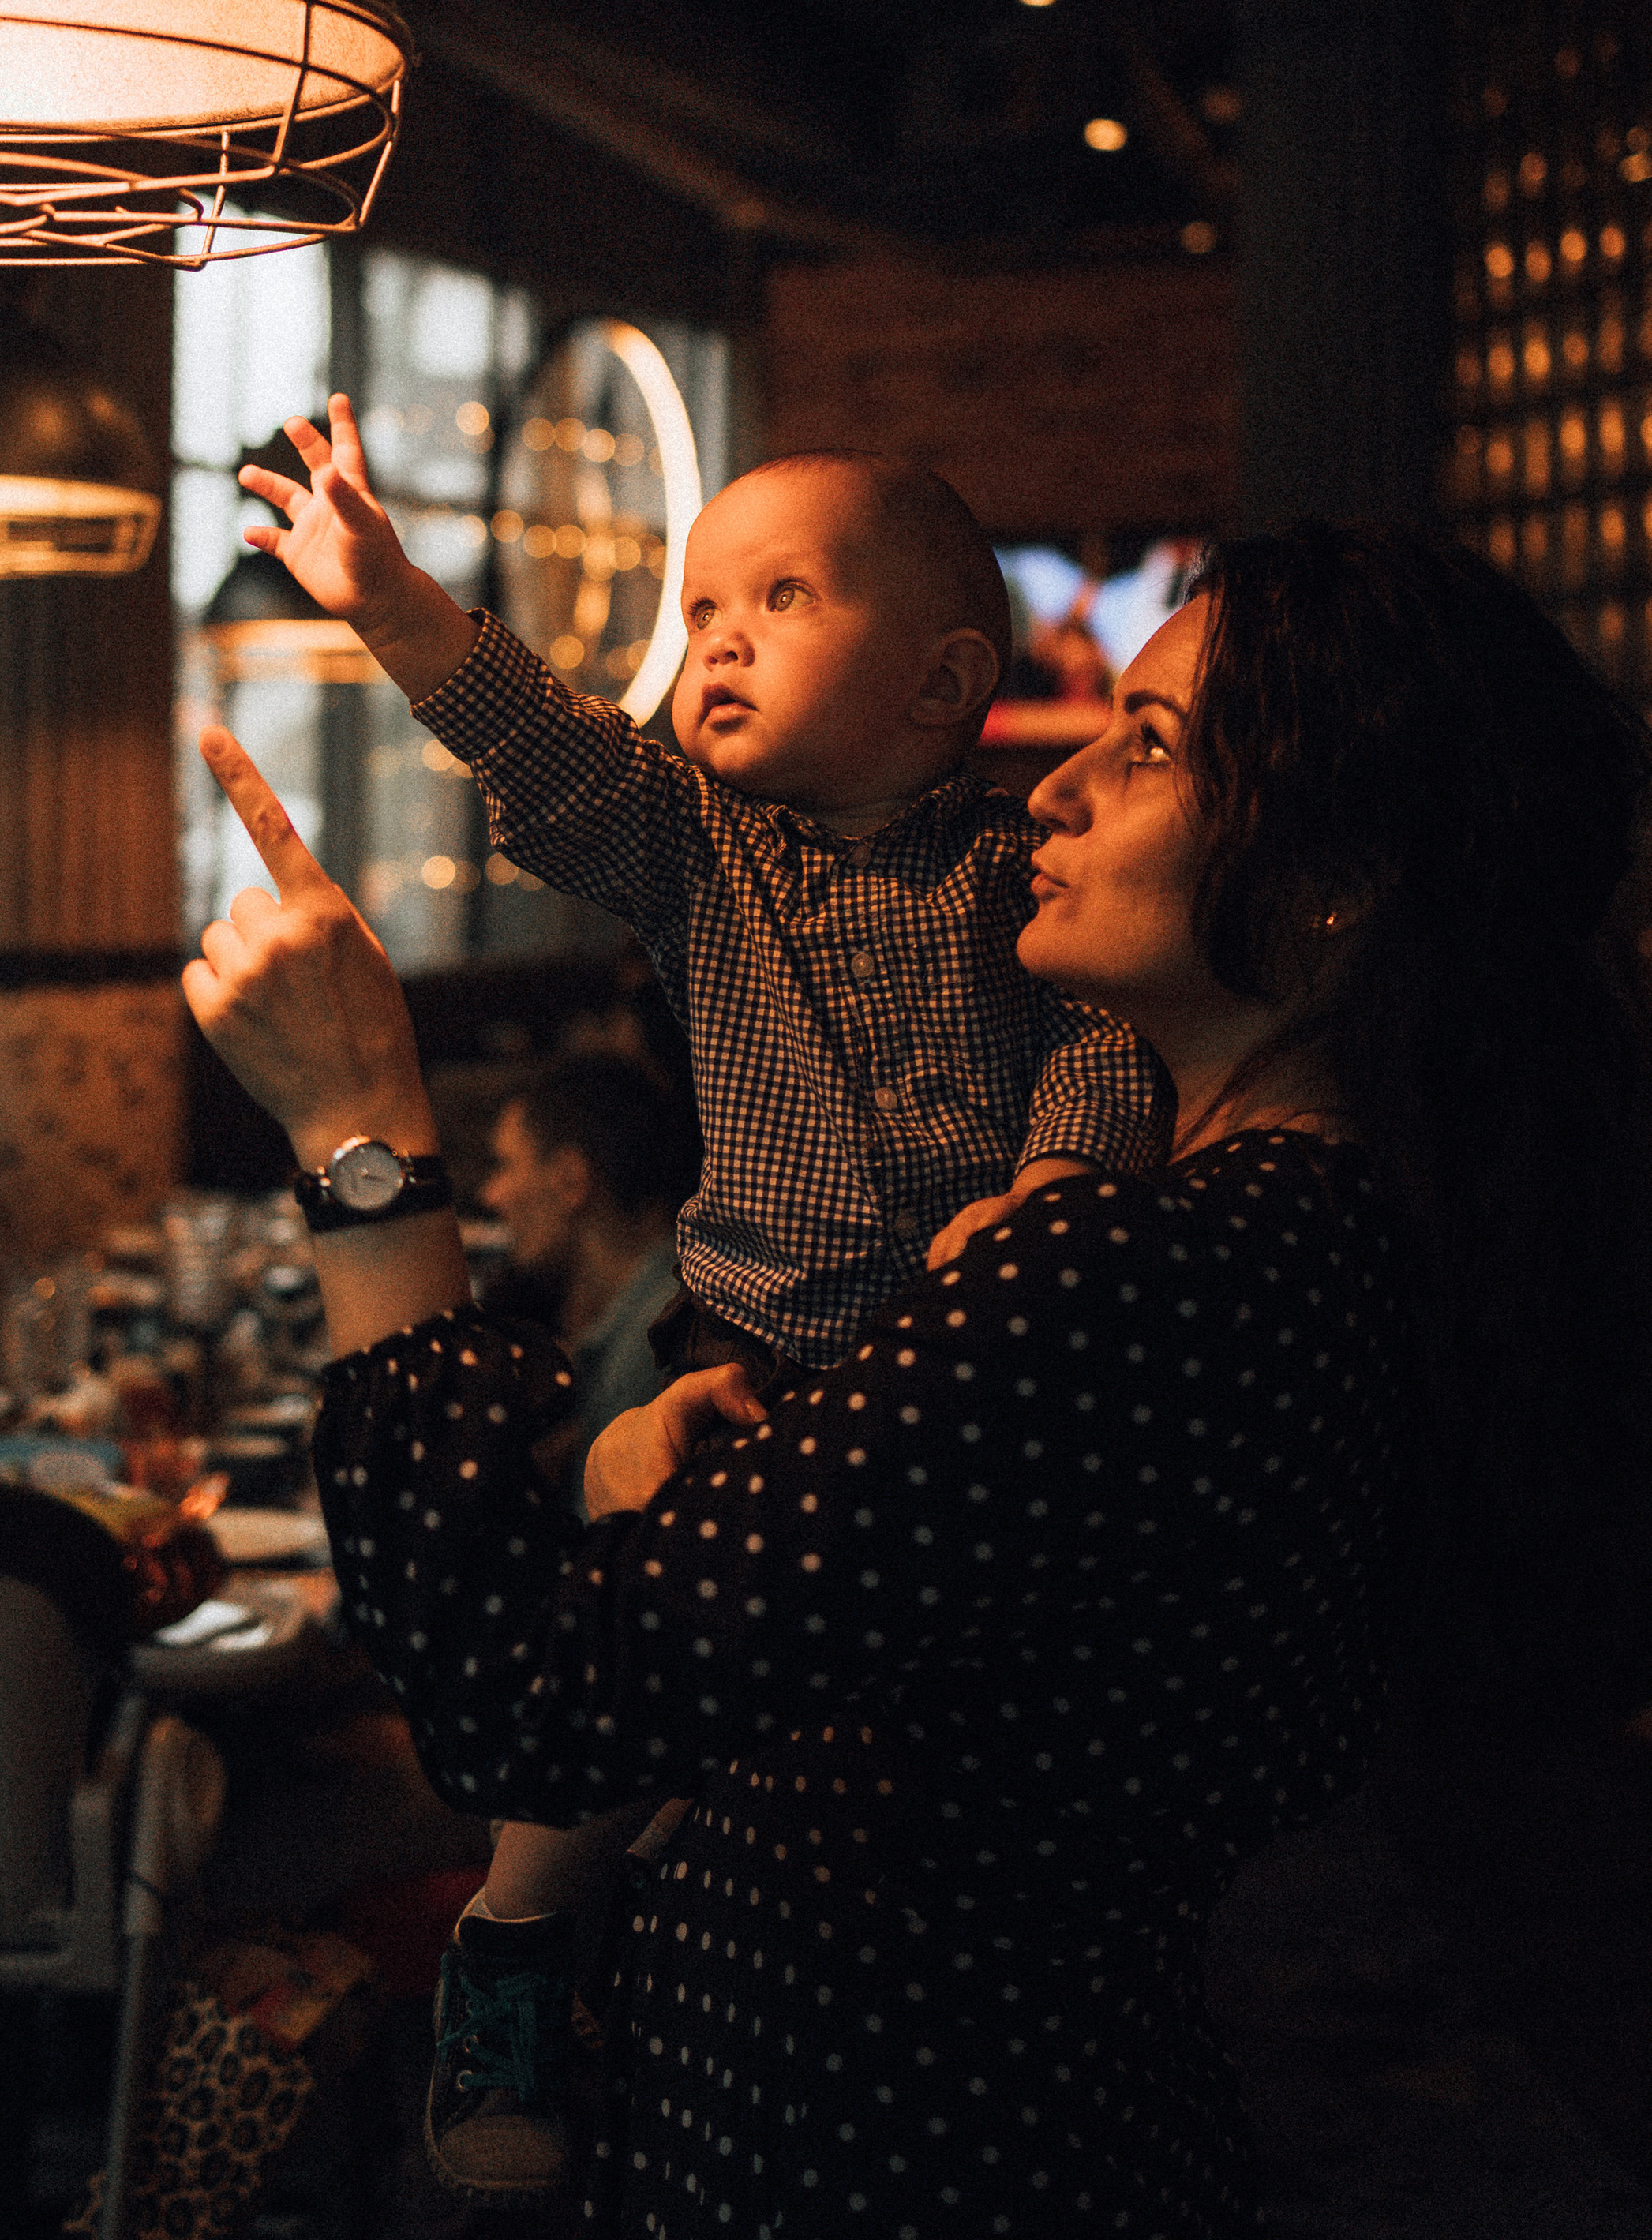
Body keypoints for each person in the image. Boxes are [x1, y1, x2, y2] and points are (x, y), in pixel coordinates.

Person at [184, 521, 1652, 2237]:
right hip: (1047, 2131)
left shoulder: (1146, 1269)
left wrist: (363, 1138)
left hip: (876, 2158)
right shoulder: (1313, 1238)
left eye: (1152, 742)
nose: (1055, 786)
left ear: (1331, 879)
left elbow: (522, 1705)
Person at [237, 401, 1169, 2187]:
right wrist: (387, 597)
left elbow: (1098, 1036)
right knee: (617, 1692)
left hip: (952, 1376)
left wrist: (1056, 1186)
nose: (714, 636)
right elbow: (544, 740)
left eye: (780, 596)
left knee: (874, 1745)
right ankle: (511, 1935)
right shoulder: (694, 845)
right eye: (701, 605)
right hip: (742, 1357)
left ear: (934, 680)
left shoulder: (1012, 874)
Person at [480, 1055, 693, 1502]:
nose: (491, 1195)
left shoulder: (652, 1341)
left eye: (505, 1165)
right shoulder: (649, 1298)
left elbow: (602, 1550)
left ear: (570, 1181)